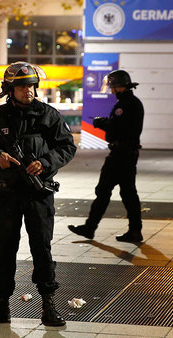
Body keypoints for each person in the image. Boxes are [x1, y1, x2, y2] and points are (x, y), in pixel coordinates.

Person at [0, 61, 76, 326]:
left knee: (42, 248)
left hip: (38, 195)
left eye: (31, 86)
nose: (28, 91)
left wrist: (46, 162)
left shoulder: (49, 115)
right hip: (5, 195)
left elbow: (67, 147)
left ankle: (48, 306)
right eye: (21, 87)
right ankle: (1, 306)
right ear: (10, 89)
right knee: (5, 250)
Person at [68, 69, 144, 243]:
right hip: (128, 154)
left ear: (118, 86)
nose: (111, 90)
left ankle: (90, 228)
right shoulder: (133, 102)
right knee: (128, 193)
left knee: (104, 192)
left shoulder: (124, 105)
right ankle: (134, 230)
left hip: (120, 155)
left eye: (112, 86)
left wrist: (101, 123)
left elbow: (118, 128)